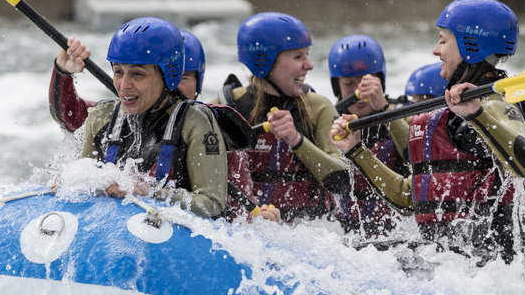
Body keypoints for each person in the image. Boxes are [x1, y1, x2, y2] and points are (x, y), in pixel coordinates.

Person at [330, 0, 525, 262]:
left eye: (443, 40)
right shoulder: (448, 114)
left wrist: (477, 114)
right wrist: (355, 150)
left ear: (471, 46)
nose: (436, 50)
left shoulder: (498, 103)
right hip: (456, 266)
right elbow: (406, 198)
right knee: (354, 253)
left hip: (497, 267)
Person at [56, 17, 227, 218]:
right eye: (118, 72)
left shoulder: (195, 122)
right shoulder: (102, 118)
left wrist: (148, 192)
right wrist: (69, 184)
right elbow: (66, 120)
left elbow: (213, 204)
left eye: (137, 74)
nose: (123, 85)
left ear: (167, 77)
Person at [218, 12, 349, 222]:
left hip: (311, 235)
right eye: (298, 57)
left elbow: (341, 181)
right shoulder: (227, 106)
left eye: (307, 54)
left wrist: (297, 140)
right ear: (265, 62)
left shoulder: (319, 107)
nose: (309, 65)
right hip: (245, 232)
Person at [327, 34, 411, 237]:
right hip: (344, 235)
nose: (358, 92)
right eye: (348, 83)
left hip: (394, 235)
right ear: (336, 87)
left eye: (366, 83)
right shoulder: (330, 122)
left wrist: (383, 107)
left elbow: (416, 156)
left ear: (380, 81)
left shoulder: (403, 115)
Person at [50, 28, 207, 133]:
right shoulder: (117, 119)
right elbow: (71, 117)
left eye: (182, 77)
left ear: (198, 83)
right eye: (119, 72)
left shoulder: (209, 127)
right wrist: (63, 72)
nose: (172, 85)